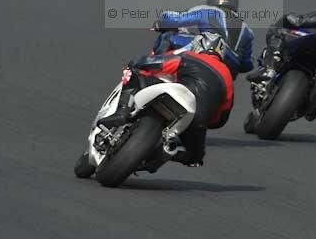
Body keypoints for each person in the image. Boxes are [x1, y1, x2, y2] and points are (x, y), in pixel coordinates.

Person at [99, 32, 234, 167]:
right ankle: (163, 154)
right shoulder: (228, 78)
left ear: (198, 45)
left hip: (175, 96)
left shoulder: (190, 57)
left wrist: (136, 63)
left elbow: (154, 63)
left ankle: (122, 112)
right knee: (195, 157)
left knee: (133, 72)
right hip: (197, 121)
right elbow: (221, 118)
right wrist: (205, 121)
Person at [152, 0, 254, 79]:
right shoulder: (247, 29)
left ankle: (155, 70)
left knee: (168, 36)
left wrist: (160, 23)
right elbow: (246, 65)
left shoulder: (209, 11)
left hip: (211, 52)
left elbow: (176, 20)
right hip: (231, 69)